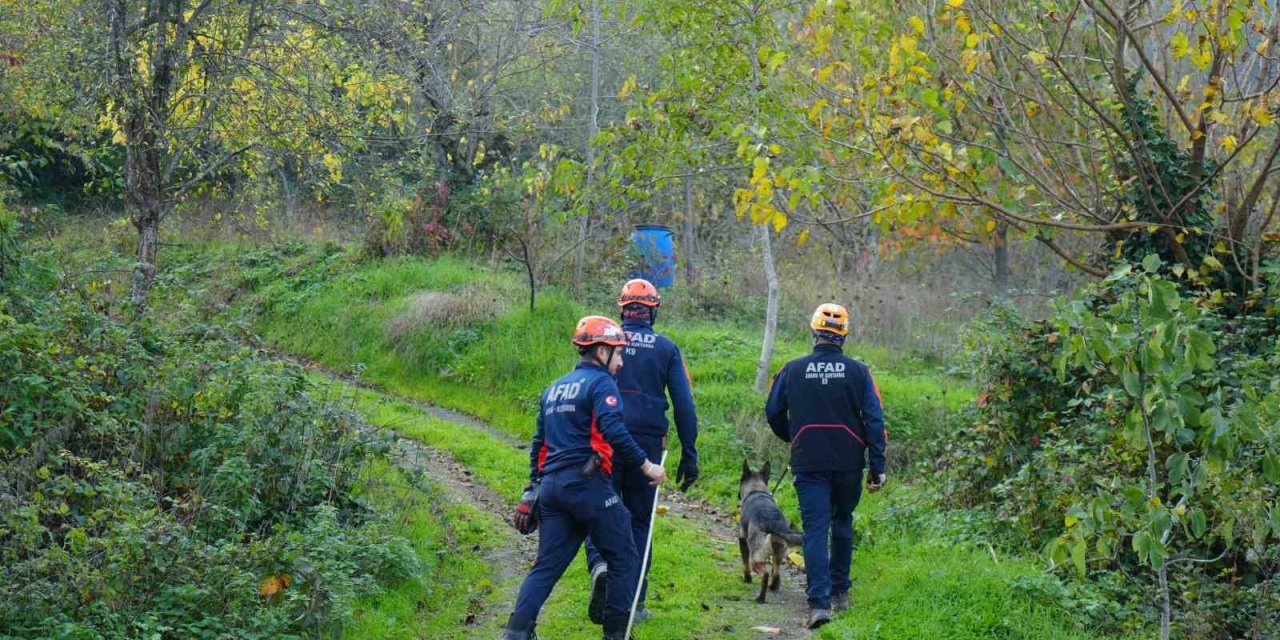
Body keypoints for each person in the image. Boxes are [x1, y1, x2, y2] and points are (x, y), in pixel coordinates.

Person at [502, 315, 668, 640]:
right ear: (602, 351)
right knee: (625, 557)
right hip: (588, 485)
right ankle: (615, 634)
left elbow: (539, 445)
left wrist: (531, 489)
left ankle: (516, 633)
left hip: (552, 490)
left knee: (546, 567)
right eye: (618, 353)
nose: (621, 362)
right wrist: (647, 465)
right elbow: (613, 428)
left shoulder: (553, 389)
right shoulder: (601, 383)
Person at [764, 303, 887, 629]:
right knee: (842, 520)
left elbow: (773, 412)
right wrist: (877, 465)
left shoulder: (792, 369)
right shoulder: (860, 372)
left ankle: (819, 604)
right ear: (843, 335)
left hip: (808, 460)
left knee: (816, 529)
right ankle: (840, 592)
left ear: (813, 331)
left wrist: (794, 436)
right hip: (849, 461)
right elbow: (874, 420)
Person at [584, 279, 699, 624]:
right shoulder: (667, 348)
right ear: (653, 311)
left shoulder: (604, 344)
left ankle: (600, 565)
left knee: (597, 509)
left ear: (623, 309)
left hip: (604, 438)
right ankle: (634, 601)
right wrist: (689, 453)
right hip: (647, 445)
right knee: (639, 521)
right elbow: (684, 405)